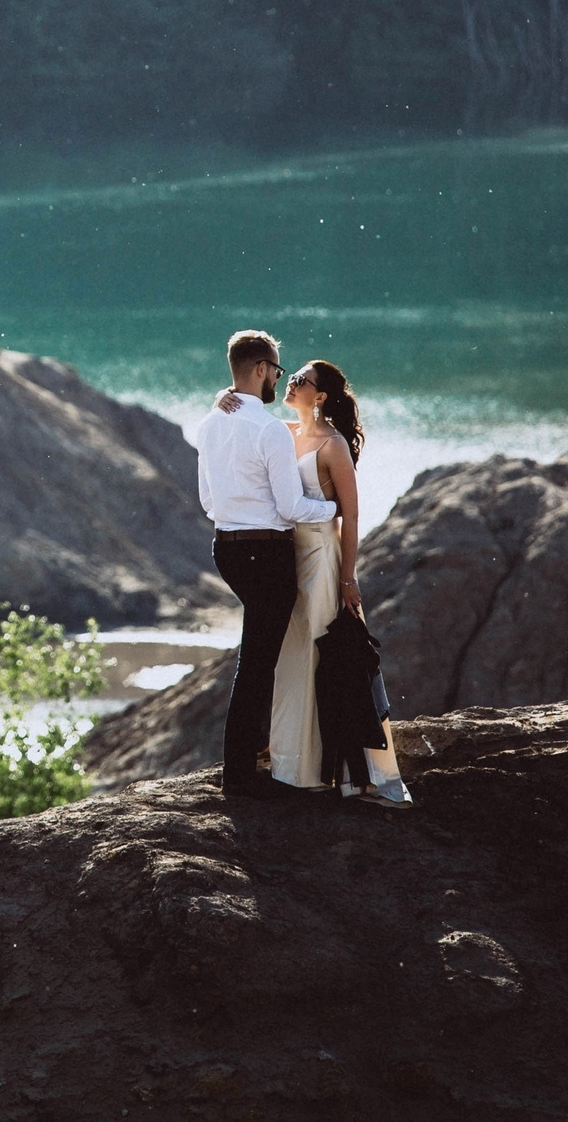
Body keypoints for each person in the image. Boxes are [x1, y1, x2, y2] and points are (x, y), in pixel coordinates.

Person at [219, 358, 411, 809]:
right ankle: (291, 764)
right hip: (286, 556)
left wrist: (348, 577)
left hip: (322, 559)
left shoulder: (333, 445)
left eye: (300, 380)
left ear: (320, 396)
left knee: (320, 657)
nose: (290, 383)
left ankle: (332, 770)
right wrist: (222, 399)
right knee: (290, 656)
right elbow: (249, 424)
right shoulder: (284, 431)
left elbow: (352, 514)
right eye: (290, 376)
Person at [189, 330, 336, 802]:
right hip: (266, 555)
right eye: (276, 368)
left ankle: (252, 754)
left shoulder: (210, 424)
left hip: (227, 550)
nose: (278, 376)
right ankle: (239, 775)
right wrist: (334, 510)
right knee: (256, 665)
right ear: (259, 369)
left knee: (256, 657)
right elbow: (292, 508)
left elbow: (208, 500)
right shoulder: (269, 429)